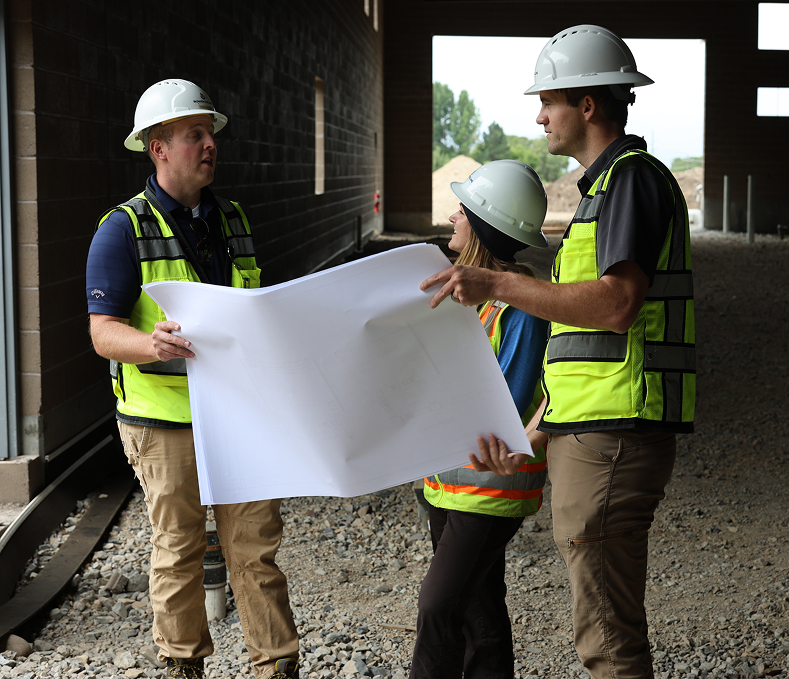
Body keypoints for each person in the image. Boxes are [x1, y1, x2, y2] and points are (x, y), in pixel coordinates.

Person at [421, 26, 696, 679]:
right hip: (593, 429)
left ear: (588, 105)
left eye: (549, 100)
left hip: (615, 436)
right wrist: (530, 435)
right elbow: (581, 352)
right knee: (597, 628)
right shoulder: (603, 192)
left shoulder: (628, 182)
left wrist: (499, 284)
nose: (538, 115)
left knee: (607, 638)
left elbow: (613, 304)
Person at [86, 79, 299, 679]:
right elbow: (103, 332)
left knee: (255, 549)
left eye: (210, 134)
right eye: (195, 134)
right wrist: (148, 345)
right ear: (159, 147)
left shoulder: (234, 220)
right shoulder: (121, 230)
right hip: (165, 423)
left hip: (241, 414)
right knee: (178, 553)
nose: (211, 144)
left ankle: (275, 667)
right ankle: (184, 667)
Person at [409, 160, 550, 679]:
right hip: (447, 484)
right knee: (478, 612)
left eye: (463, 211)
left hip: (491, 489)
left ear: (484, 227)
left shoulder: (520, 308)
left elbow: (503, 406)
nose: (452, 216)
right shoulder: (470, 298)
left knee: (437, 608)